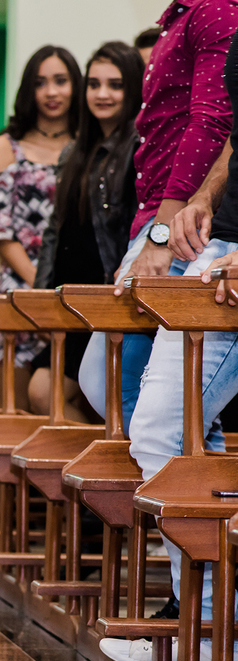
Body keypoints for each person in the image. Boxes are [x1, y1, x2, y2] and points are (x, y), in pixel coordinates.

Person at [100, 21, 238, 661]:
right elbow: (233, 134)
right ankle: (203, 625)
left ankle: (211, 631)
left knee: (160, 429)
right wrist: (202, 201)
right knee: (163, 431)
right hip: (219, 243)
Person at [77, 0, 238, 437]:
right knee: (120, 384)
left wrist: (162, 235)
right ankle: (191, 482)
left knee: (117, 384)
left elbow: (214, 123)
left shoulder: (215, 11)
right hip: (164, 215)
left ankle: (195, 490)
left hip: (181, 220)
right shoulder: (183, 15)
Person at [29, 42, 143, 422]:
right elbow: (55, 231)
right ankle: (103, 473)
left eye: (115, 84)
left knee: (79, 397)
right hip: (70, 295)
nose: (102, 94)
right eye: (94, 84)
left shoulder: (139, 146)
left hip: (106, 293)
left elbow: (134, 227)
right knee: (44, 392)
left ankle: (117, 471)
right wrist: (43, 293)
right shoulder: (73, 151)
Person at [0, 45, 81, 412]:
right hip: (21, 291)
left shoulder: (90, 146)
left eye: (60, 81)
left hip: (78, 289)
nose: (51, 92)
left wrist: (63, 286)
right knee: (16, 416)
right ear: (28, 90)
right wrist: (42, 283)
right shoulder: (5, 147)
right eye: (41, 82)